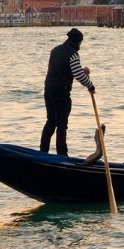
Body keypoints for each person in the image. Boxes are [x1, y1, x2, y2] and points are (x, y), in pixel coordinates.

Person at [40, 28, 94, 156]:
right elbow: (77, 75)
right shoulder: (73, 54)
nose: (80, 45)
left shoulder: (55, 50)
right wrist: (90, 86)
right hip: (61, 92)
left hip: (48, 89)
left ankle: (43, 151)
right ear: (77, 41)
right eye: (80, 42)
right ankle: (62, 154)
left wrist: (82, 71)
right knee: (62, 124)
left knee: (51, 121)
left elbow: (64, 69)